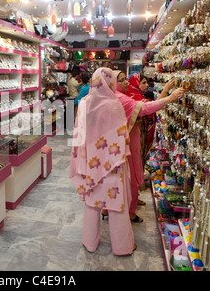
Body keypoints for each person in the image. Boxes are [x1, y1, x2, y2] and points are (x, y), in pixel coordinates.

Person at [70, 67, 135, 255]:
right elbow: (120, 136)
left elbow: (79, 132)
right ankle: (122, 247)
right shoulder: (114, 104)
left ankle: (90, 243)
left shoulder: (83, 103)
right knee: (117, 206)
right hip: (112, 163)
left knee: (92, 204)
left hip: (90, 162)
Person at [115, 70, 184, 223]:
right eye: (122, 80)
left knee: (125, 176)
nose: (126, 82)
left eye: (126, 79)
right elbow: (146, 109)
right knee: (130, 174)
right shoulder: (125, 98)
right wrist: (169, 96)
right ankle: (128, 211)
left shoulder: (118, 97)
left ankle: (122, 205)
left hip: (124, 143)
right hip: (127, 144)